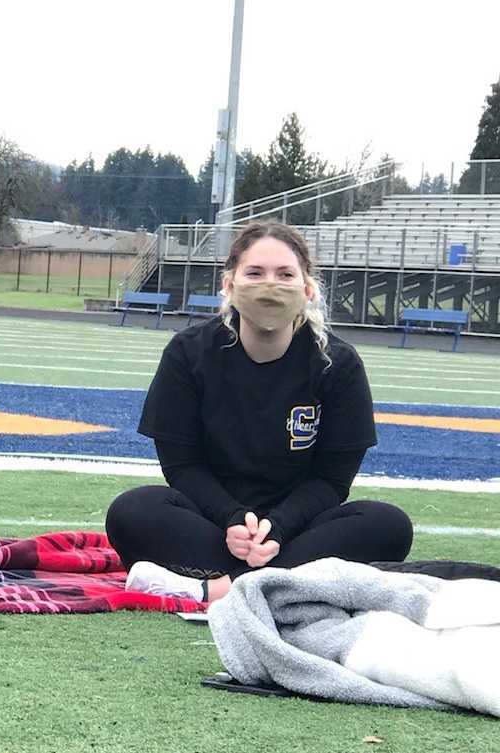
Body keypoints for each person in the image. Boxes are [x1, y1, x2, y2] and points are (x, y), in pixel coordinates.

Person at [105, 221, 413, 602]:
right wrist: (232, 520)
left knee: (388, 525)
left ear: (308, 287)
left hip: (297, 528)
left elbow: (332, 481)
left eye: (285, 274)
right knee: (133, 510)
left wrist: (278, 527)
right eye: (255, 272)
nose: (270, 284)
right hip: (213, 522)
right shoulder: (188, 353)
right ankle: (280, 586)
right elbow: (182, 467)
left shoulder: (338, 364)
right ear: (229, 284)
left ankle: (218, 588)